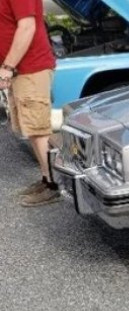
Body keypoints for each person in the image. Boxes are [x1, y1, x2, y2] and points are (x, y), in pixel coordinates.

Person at [1, 0, 58, 207]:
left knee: (39, 130)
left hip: (31, 68)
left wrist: (7, 67)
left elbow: (27, 27)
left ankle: (54, 185)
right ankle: (46, 177)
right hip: (20, 70)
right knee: (33, 130)